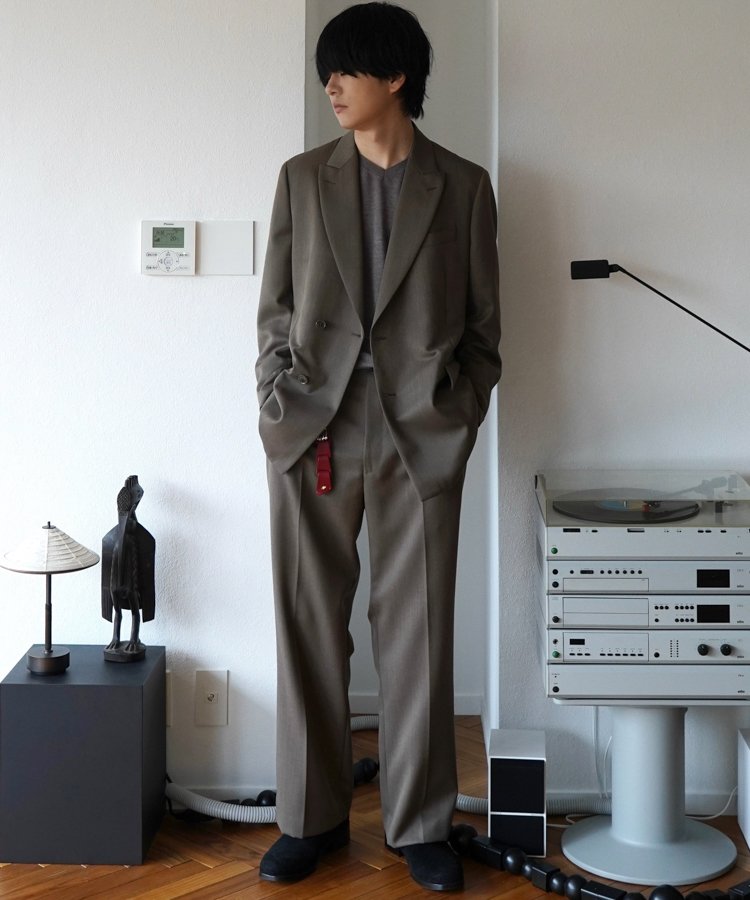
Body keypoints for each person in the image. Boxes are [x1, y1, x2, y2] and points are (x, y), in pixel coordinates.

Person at [255, 2, 501, 891]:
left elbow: (484, 330)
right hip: (312, 428)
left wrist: (457, 413)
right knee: (308, 621)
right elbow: (276, 312)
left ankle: (421, 824)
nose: (331, 86)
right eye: (326, 71)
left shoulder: (462, 186)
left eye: (346, 69)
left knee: (418, 629)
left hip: (420, 431)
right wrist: (275, 402)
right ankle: (309, 818)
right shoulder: (301, 179)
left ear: (396, 77)